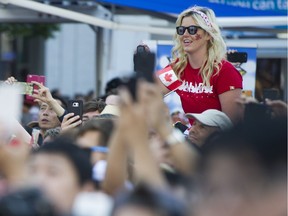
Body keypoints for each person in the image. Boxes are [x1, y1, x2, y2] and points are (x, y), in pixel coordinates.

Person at [157, 6, 243, 124]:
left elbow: (232, 125)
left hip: (218, 140)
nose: (185, 34)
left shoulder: (225, 71)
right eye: (181, 30)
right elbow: (148, 94)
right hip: (193, 137)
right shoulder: (178, 68)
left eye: (192, 29)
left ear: (208, 35)